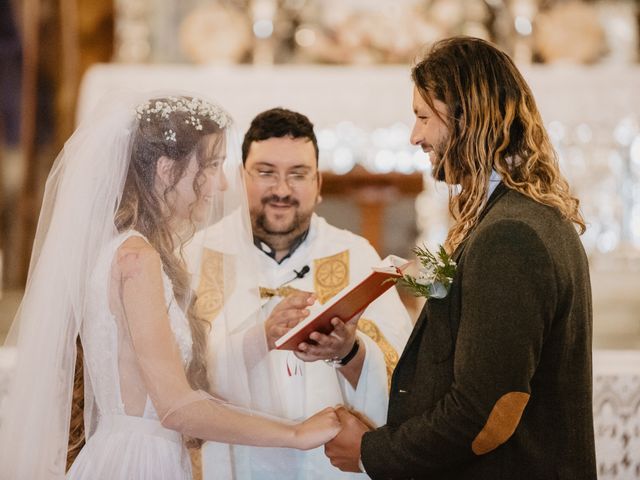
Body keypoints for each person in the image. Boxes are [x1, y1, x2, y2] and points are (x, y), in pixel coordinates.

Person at [0, 94, 341, 480]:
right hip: (138, 463)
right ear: (166, 169)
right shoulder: (136, 260)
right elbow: (175, 407)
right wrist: (295, 434)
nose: (224, 181)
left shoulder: (127, 249)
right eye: (211, 165)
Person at [324, 36, 597, 479]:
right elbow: (463, 288)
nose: (415, 137)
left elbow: (484, 413)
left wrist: (372, 452)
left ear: (467, 118)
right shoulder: (516, 216)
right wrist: (383, 283)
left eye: (423, 117)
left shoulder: (510, 235)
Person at [190, 108, 413, 479]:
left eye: (298, 174)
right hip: (228, 462)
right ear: (241, 177)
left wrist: (349, 350)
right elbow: (178, 379)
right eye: (265, 173)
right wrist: (258, 338)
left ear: (319, 183)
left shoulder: (354, 255)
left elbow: (403, 377)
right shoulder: (198, 256)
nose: (281, 190)